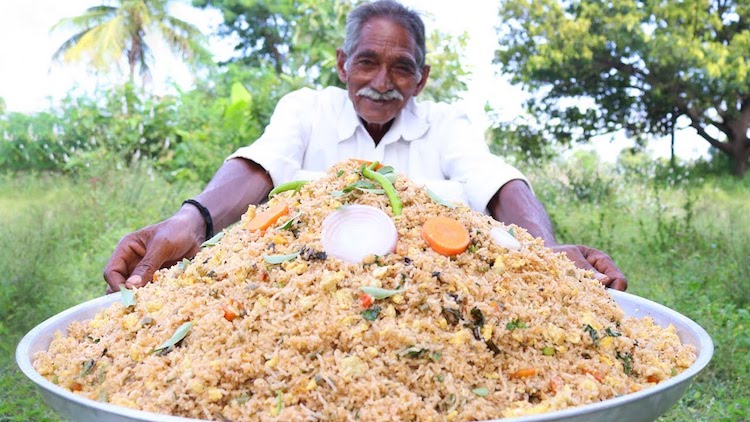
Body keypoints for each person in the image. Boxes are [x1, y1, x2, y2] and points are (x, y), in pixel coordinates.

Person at [104, 0, 627, 293]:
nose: (383, 81)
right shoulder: (305, 109)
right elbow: (262, 165)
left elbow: (493, 177)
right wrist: (191, 220)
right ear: (342, 64)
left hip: (432, 300)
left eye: (402, 67)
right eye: (367, 62)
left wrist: (544, 246)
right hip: (298, 298)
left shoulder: (448, 122)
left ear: (420, 79)